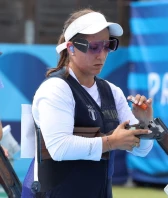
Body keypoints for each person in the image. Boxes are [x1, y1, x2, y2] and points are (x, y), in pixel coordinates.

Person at [21, 8, 154, 198]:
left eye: (108, 45)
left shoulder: (112, 92)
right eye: (94, 47)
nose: (101, 54)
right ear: (72, 47)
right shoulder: (56, 88)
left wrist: (143, 124)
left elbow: (141, 150)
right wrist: (111, 142)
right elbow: (59, 148)